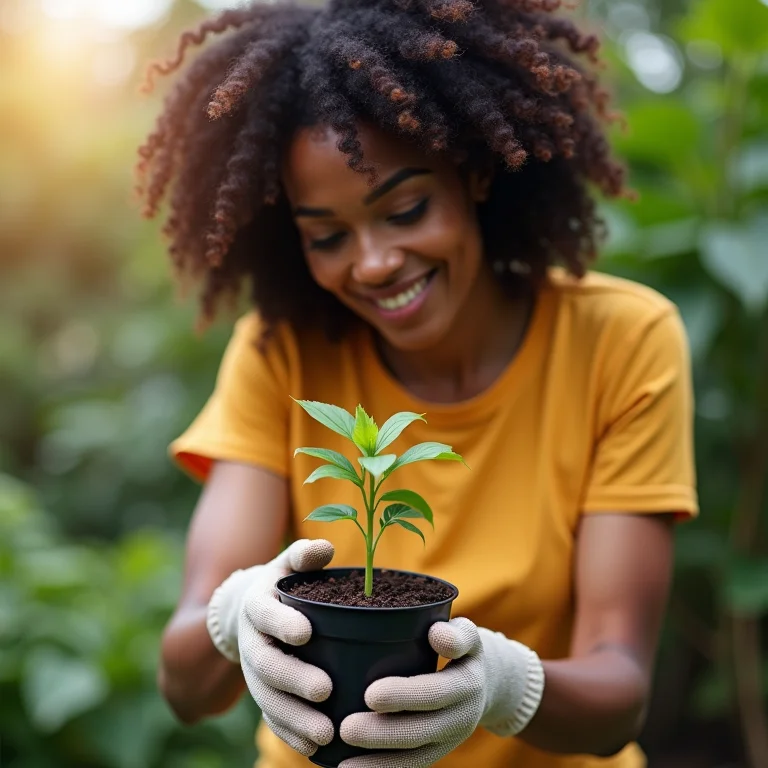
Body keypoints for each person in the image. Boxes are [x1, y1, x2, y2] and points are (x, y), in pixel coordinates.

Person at [138, 1, 698, 767]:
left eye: (406, 209)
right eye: (327, 237)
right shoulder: (281, 354)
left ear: (472, 173)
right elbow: (186, 689)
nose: (372, 263)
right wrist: (232, 617)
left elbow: (618, 698)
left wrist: (503, 687)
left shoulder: (620, 341)